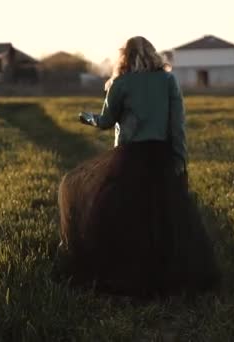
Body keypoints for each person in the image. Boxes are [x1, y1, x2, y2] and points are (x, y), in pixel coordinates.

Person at [57, 36, 220, 297]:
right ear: (153, 55)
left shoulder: (120, 83)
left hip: (129, 158)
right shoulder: (168, 81)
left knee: (120, 216)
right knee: (163, 218)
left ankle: (124, 279)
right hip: (161, 156)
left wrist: (86, 117)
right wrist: (179, 160)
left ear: (125, 57)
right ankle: (165, 277)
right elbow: (177, 125)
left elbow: (105, 122)